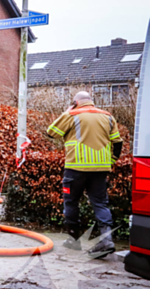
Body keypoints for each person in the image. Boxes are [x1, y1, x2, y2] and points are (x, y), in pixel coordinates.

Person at [46, 91, 123, 258]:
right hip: (100, 169)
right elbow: (117, 142)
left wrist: (67, 111)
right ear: (91, 101)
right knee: (100, 204)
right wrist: (111, 161)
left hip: (76, 167)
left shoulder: (72, 114)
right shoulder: (107, 116)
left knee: (71, 202)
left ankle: (74, 240)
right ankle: (107, 239)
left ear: (76, 102)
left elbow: (51, 132)